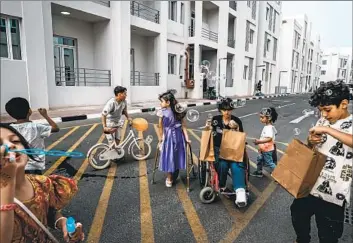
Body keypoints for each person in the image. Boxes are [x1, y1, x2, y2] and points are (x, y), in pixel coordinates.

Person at [0, 123, 85, 243]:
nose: (10, 145)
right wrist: (6, 182)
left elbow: (48, 213)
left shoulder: (42, 183)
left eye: (15, 140)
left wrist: (62, 223)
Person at [291, 80, 353, 243]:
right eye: (321, 111)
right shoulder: (323, 121)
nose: (324, 115)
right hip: (311, 183)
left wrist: (327, 129)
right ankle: (302, 239)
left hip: (334, 192)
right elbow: (313, 147)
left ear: (344, 104)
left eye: (327, 110)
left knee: (328, 234)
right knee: (297, 213)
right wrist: (311, 141)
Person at [205, 97, 248, 207]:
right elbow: (208, 133)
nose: (227, 112)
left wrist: (237, 128)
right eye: (224, 110)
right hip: (219, 150)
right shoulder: (215, 119)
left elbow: (241, 138)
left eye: (229, 109)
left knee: (236, 165)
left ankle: (240, 193)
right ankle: (222, 185)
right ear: (220, 110)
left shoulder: (237, 121)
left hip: (233, 150)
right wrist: (207, 126)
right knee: (223, 164)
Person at [5, 97, 60, 175]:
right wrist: (45, 115)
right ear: (29, 111)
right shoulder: (36, 127)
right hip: (34, 168)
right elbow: (56, 128)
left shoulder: (9, 129)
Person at [158, 90, 191, 187]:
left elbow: (183, 126)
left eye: (162, 101)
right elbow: (160, 126)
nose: (160, 103)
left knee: (177, 154)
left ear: (168, 103)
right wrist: (161, 138)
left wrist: (187, 138)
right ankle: (169, 176)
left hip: (178, 136)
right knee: (169, 155)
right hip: (167, 136)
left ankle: (175, 171)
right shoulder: (161, 112)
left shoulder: (178, 110)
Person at [251, 107, 278, 177]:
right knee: (259, 159)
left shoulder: (269, 127)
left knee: (269, 162)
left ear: (269, 118)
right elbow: (275, 133)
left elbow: (269, 139)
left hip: (267, 149)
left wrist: (259, 141)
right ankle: (259, 172)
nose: (260, 119)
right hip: (264, 148)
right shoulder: (268, 126)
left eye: (262, 117)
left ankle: (278, 173)